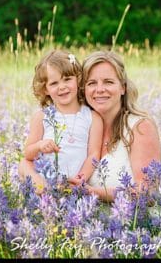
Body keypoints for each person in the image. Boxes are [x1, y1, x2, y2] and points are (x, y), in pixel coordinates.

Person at [70, 51, 161, 202]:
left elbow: (148, 193)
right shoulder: (79, 129)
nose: (99, 89)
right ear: (83, 90)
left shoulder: (140, 127)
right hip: (85, 224)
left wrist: (92, 193)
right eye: (91, 83)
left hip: (133, 224)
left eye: (108, 82)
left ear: (123, 88)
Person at [18, 50, 103, 194]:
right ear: (45, 89)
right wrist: (39, 145)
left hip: (74, 183)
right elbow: (28, 153)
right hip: (46, 179)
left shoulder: (92, 117)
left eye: (67, 79)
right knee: (23, 164)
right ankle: (44, 191)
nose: (62, 87)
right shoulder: (42, 116)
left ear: (78, 79)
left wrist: (80, 180)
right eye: (54, 83)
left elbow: (93, 154)